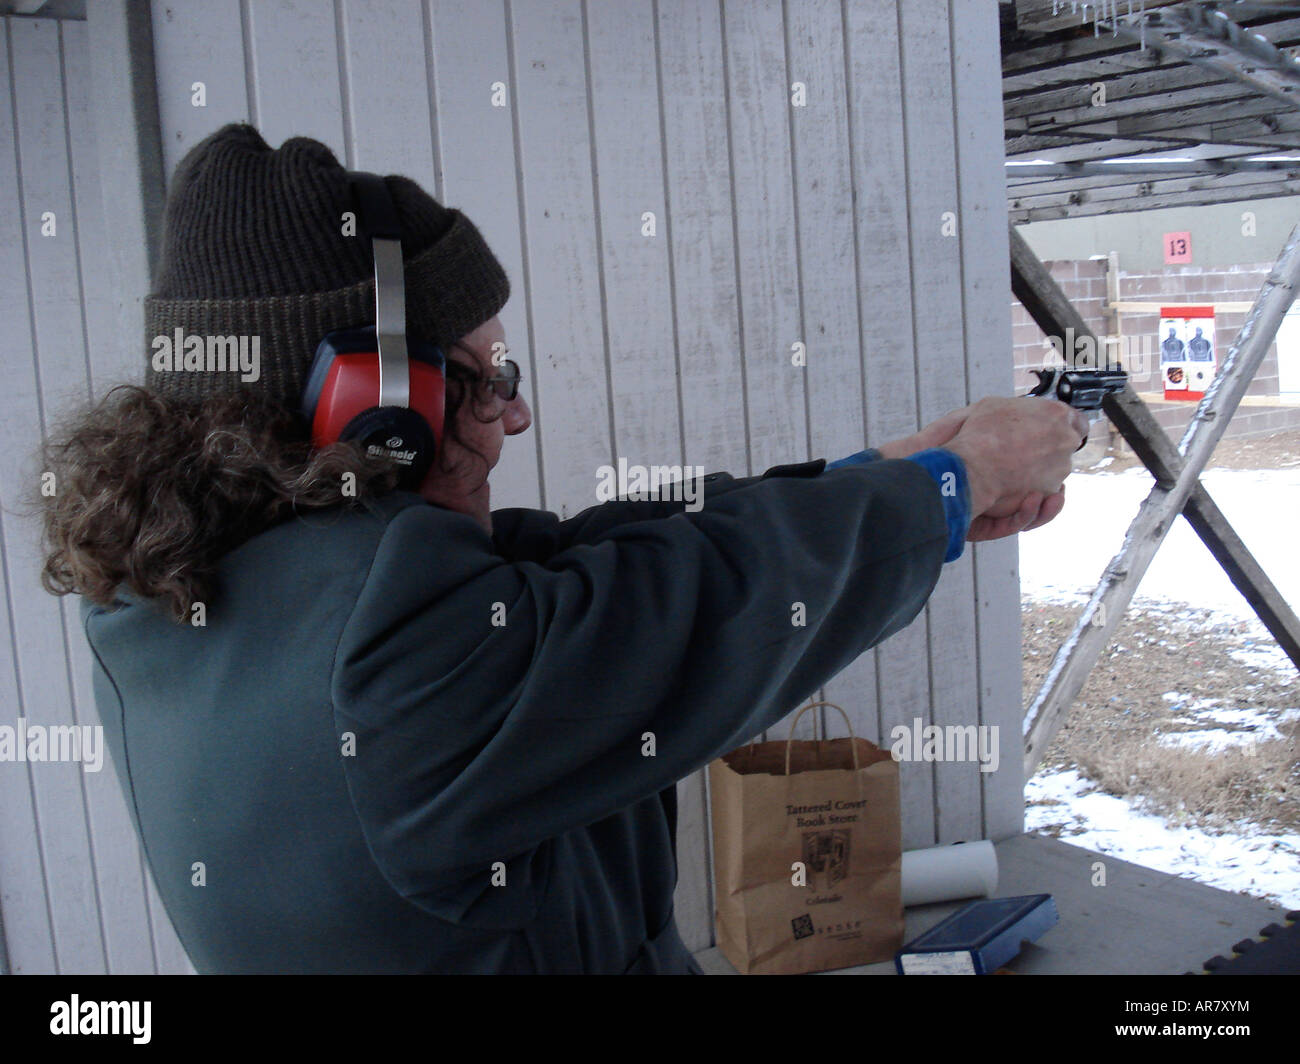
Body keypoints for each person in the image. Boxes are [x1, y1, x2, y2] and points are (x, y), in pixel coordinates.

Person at [39, 125, 1086, 974]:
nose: (517, 411)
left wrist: (881, 477)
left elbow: (583, 565)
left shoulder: (170, 584)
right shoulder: (389, 645)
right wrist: (953, 484)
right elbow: (680, 606)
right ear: (377, 412)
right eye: (486, 377)